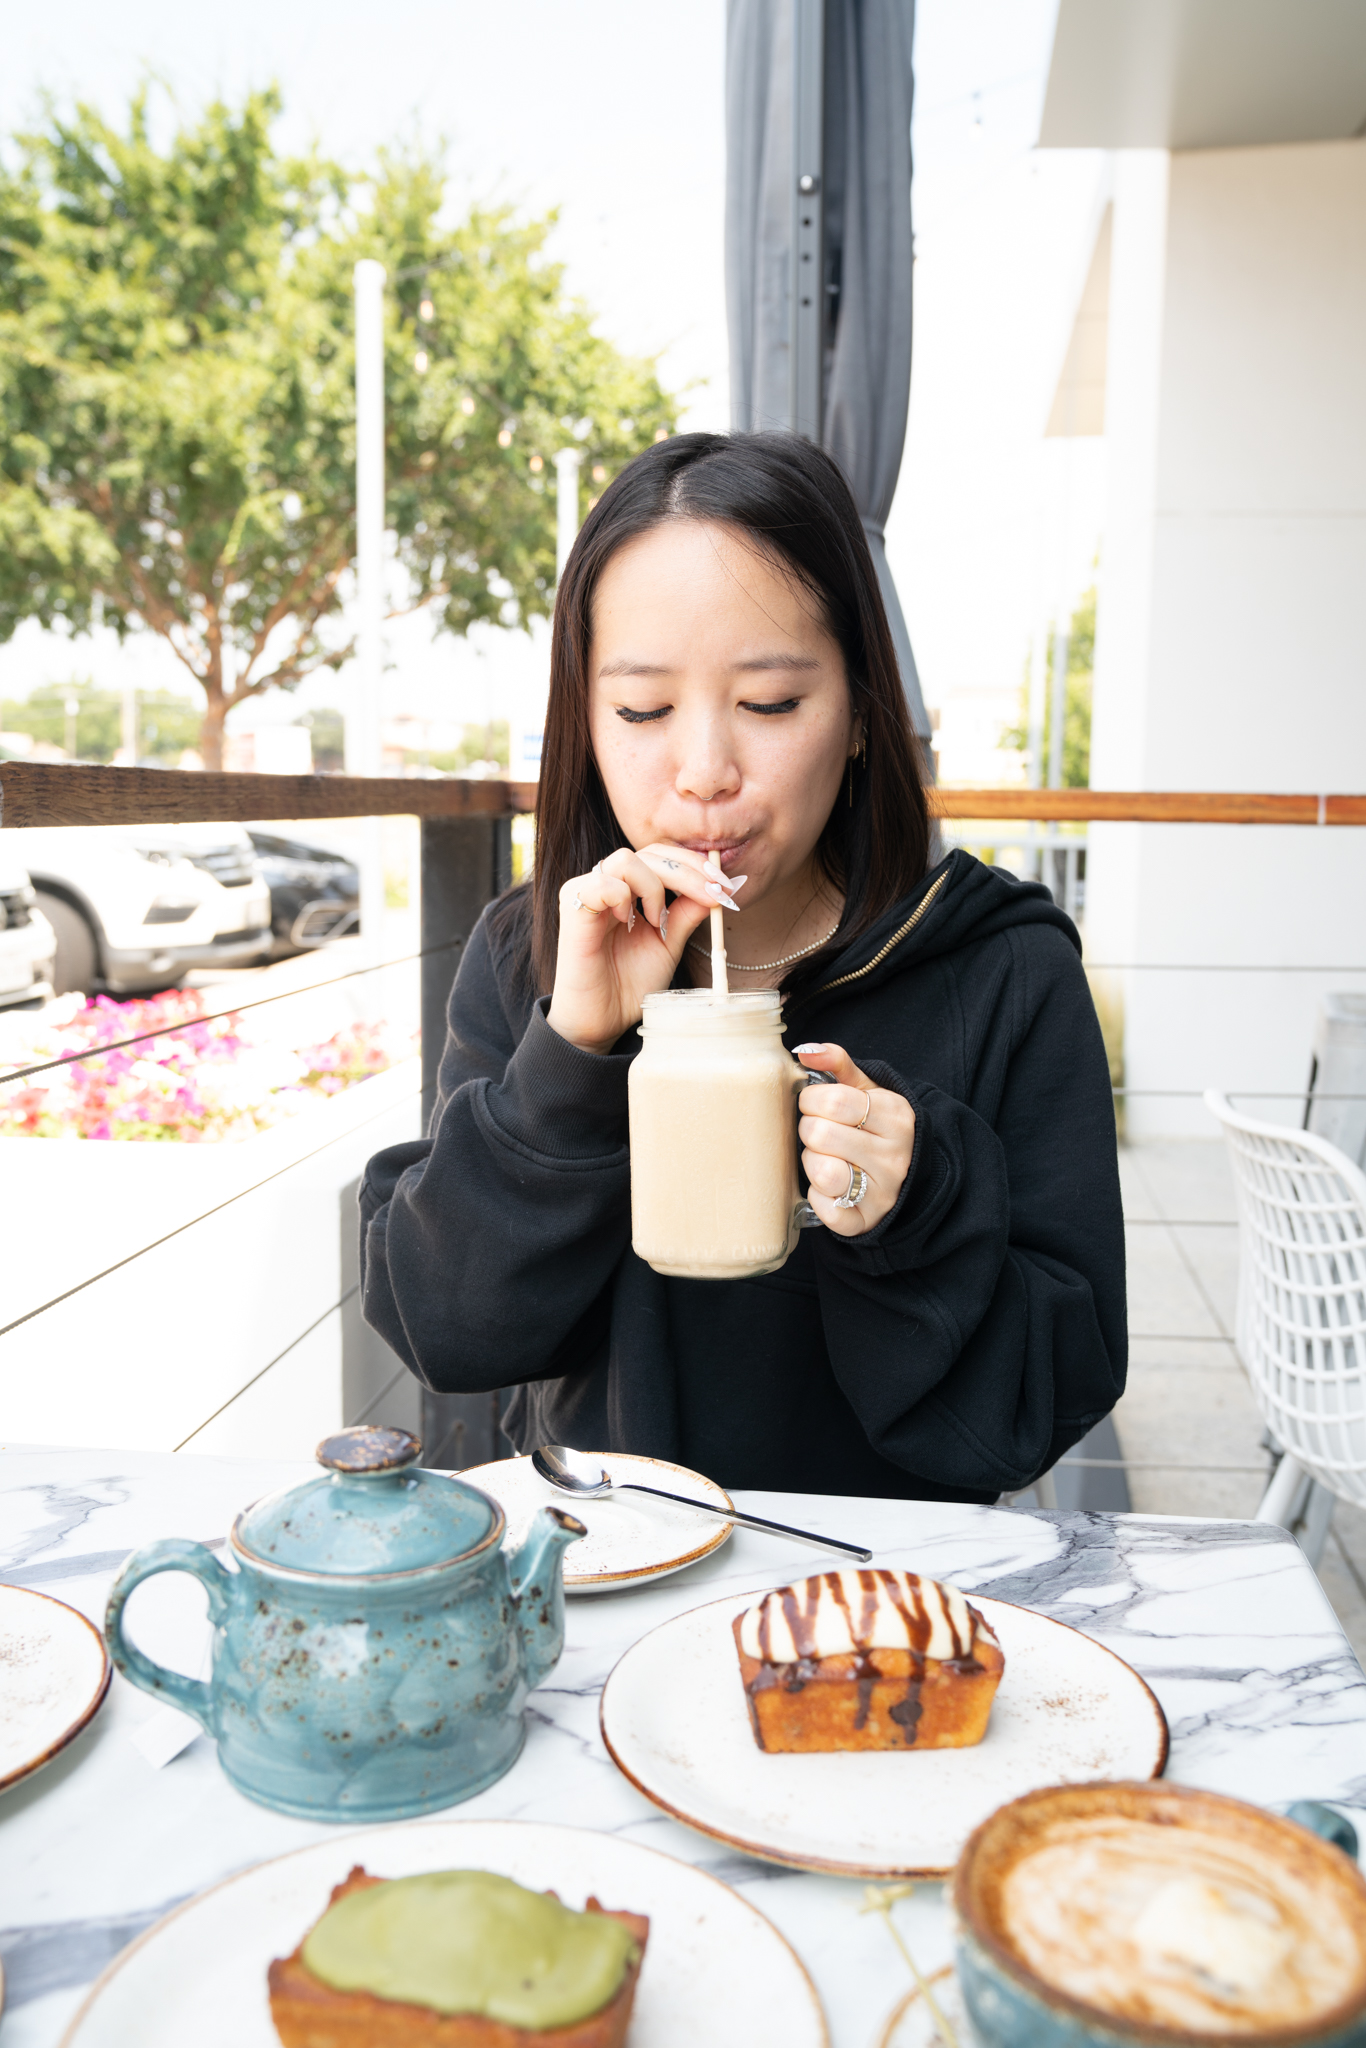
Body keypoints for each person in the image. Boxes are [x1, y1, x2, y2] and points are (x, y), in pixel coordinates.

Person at [359, 432, 1125, 1502]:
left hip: (877, 1600)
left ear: (860, 713)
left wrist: (916, 1207)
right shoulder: (530, 952)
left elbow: (1044, 1405)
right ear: (583, 719)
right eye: (641, 709)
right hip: (605, 1567)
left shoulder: (1003, 970)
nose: (707, 771)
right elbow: (449, 1331)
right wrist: (567, 1056)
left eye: (769, 703)